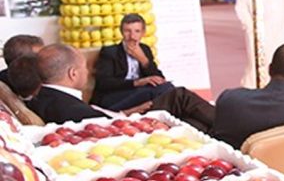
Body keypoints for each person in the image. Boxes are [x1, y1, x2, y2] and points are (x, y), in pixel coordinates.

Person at [26, 44, 215, 132]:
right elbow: (112, 129)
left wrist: (128, 112)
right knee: (181, 98)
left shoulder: (45, 96)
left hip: (121, 116)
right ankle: (231, 128)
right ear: (73, 73)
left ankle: (222, 129)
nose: (87, 72)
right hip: (132, 130)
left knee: (181, 103)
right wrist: (133, 119)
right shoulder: (72, 109)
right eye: (84, 67)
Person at [91, 13, 174, 110]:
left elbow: (158, 78)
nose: (132, 36)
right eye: (127, 31)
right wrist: (136, 83)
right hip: (113, 97)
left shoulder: (145, 49)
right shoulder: (110, 52)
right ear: (121, 32)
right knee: (156, 92)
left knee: (167, 88)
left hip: (139, 93)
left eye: (137, 31)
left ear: (143, 33)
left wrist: (143, 60)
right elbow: (103, 83)